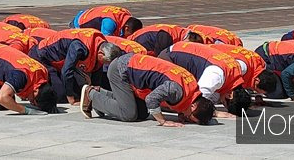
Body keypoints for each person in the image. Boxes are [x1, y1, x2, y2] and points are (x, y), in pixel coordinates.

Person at [79, 53, 215, 126]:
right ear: (193, 105)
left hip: (131, 65)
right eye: (190, 117)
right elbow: (151, 99)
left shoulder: (191, 88)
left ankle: (100, 93)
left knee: (142, 113)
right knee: (129, 114)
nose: (186, 118)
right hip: (121, 70)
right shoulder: (176, 90)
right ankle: (91, 95)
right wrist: (163, 121)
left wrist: (180, 112)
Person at [29, 28, 122, 104]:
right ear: (101, 53)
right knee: (61, 95)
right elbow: (66, 71)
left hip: (61, 62)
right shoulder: (79, 47)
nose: (106, 65)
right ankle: (34, 94)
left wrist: (94, 89)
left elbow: (97, 69)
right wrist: (70, 97)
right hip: (42, 57)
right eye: (106, 62)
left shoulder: (101, 44)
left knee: (81, 91)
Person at [158, 42, 251, 116]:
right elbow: (198, 100)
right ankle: (161, 104)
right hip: (169, 57)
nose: (221, 102)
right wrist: (214, 112)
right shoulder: (216, 75)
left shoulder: (237, 70)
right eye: (224, 103)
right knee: (182, 104)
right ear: (230, 95)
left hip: (184, 49)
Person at [209, 44, 278, 94]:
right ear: (257, 80)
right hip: (209, 55)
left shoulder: (261, 65)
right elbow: (216, 76)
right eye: (256, 90)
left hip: (215, 51)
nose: (253, 91)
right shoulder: (241, 68)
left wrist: (258, 97)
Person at [128, 24, 204, 56]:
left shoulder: (178, 32)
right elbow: (160, 58)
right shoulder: (166, 37)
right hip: (133, 46)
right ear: (187, 40)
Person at [69, 5, 142, 37]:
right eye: (131, 34)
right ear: (126, 28)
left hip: (88, 13)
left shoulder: (127, 14)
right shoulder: (109, 23)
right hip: (79, 23)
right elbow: (105, 42)